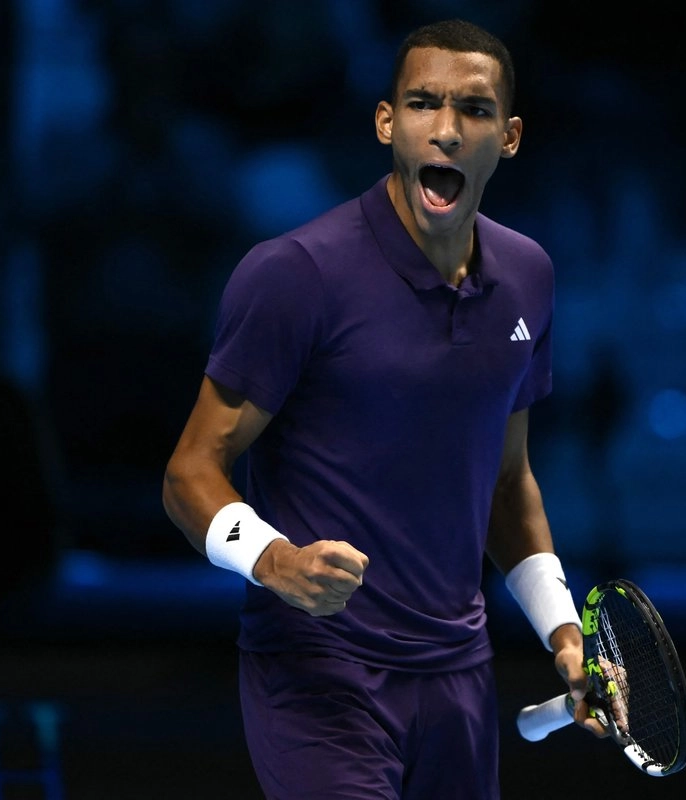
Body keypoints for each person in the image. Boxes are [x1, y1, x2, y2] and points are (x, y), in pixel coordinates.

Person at [164, 18, 600, 799]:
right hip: (317, 671)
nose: (445, 130)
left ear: (508, 136)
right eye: (424, 103)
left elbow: (507, 482)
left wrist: (563, 632)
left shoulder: (529, 276)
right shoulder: (295, 274)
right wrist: (275, 561)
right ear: (385, 122)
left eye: (473, 110)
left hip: (458, 675)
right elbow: (190, 472)